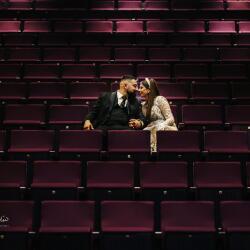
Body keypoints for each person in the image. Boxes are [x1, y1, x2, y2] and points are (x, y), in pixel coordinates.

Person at [138, 77, 177, 152]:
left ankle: (154, 151)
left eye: (141, 88)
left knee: (154, 130)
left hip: (165, 127)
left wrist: (160, 126)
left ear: (148, 90)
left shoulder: (160, 99)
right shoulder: (143, 105)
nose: (139, 90)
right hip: (151, 128)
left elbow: (171, 119)